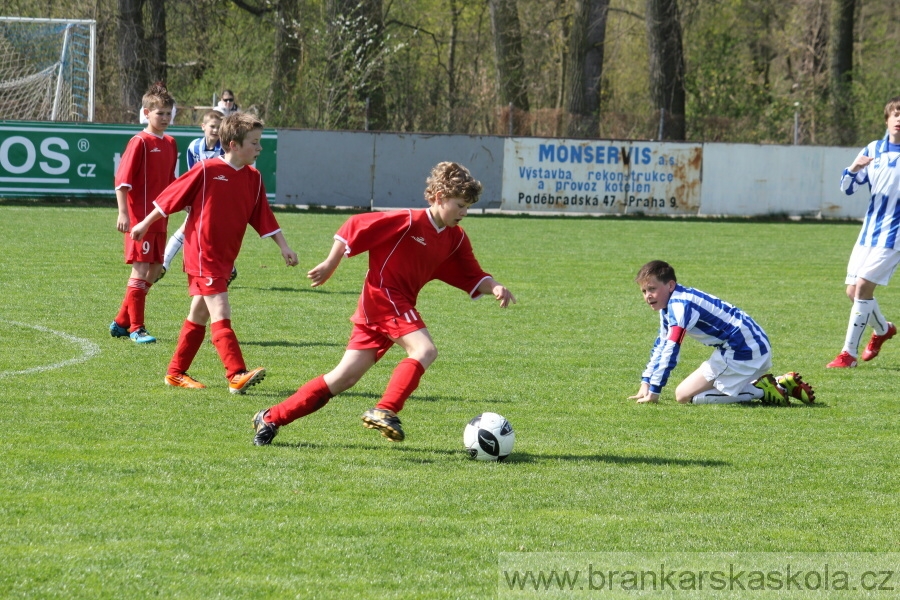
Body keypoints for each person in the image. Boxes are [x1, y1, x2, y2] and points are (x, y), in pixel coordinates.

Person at [251, 161, 516, 446]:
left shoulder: (455, 239)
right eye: (460, 205)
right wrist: (331, 263)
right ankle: (385, 409)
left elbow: (473, 274)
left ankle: (271, 417)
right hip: (384, 297)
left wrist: (495, 286)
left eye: (468, 207)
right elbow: (356, 225)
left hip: (386, 307)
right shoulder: (408, 221)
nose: (464, 213)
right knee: (424, 350)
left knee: (342, 379)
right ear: (438, 197)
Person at [130, 113, 299, 394]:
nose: (259, 148)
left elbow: (263, 217)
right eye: (254, 143)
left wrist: (284, 246)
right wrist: (145, 224)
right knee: (220, 309)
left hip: (225, 256)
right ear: (233, 144)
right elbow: (171, 197)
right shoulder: (206, 170)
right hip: (202, 253)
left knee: (199, 314)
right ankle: (236, 373)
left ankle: (175, 372)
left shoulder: (253, 178)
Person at [630, 260, 815, 405]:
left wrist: (654, 392)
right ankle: (780, 382)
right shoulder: (673, 303)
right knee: (688, 393)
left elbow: (671, 350)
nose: (648, 296)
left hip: (743, 350)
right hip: (747, 345)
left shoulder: (680, 306)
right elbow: (661, 345)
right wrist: (646, 383)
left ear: (670, 285)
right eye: (644, 291)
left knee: (685, 397)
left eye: (652, 289)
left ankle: (764, 390)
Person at [826, 96, 900, 368]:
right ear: (887, 119)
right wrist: (852, 169)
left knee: (863, 288)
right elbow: (847, 188)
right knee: (851, 291)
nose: (899, 119)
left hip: (895, 236)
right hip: (868, 233)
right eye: (896, 113)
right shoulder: (873, 149)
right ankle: (883, 330)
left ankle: (849, 354)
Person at [109, 82, 178, 344]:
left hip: (159, 216)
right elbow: (122, 180)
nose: (165, 118)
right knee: (140, 269)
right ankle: (136, 328)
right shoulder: (138, 141)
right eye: (159, 113)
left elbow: (171, 180)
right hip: (140, 217)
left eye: (168, 113)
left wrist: (181, 200)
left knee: (156, 268)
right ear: (146, 113)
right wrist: (124, 213)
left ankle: (121, 321)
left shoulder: (171, 143)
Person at [159, 110, 237, 285]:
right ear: (203, 127)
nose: (216, 130)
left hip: (221, 199)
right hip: (202, 198)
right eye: (212, 126)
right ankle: (163, 264)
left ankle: (229, 269)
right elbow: (192, 174)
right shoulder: (194, 147)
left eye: (219, 127)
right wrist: (189, 198)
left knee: (216, 235)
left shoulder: (225, 149)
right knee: (188, 228)